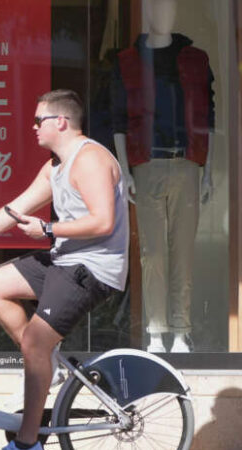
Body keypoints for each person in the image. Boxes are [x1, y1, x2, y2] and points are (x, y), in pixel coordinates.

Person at [0, 90, 129, 450]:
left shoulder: (90, 159)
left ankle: (28, 442)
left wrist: (48, 229)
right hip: (64, 260)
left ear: (62, 122)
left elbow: (103, 221)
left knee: (34, 341)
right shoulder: (55, 166)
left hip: (93, 268)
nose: (33, 127)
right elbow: (13, 211)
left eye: (39, 120)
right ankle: (47, 364)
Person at [112, 0, 214, 353]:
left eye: (168, 7)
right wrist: (125, 171)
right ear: (147, 14)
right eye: (155, 7)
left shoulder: (196, 60)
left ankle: (181, 331)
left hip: (186, 164)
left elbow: (208, 118)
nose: (162, 14)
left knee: (182, 252)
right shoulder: (127, 61)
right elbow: (119, 120)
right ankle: (156, 331)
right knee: (152, 254)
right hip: (147, 165)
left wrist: (207, 171)